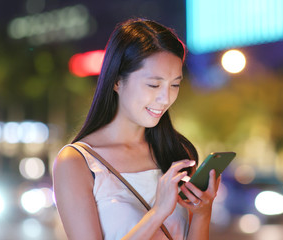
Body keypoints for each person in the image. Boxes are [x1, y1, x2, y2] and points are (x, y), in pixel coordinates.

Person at [53, 18, 220, 240]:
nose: (165, 98)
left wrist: (202, 213)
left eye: (175, 85)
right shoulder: (77, 162)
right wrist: (158, 212)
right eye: (154, 84)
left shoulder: (175, 153)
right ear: (117, 81)